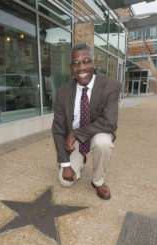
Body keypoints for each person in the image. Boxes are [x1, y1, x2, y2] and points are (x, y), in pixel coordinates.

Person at [52, 43, 121, 200]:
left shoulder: (111, 86)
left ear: (94, 63)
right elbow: (57, 129)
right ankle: (79, 158)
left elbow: (109, 122)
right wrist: (65, 164)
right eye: (76, 63)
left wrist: (75, 133)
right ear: (71, 67)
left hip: (98, 132)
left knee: (103, 143)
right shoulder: (63, 92)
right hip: (75, 140)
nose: (81, 67)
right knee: (65, 182)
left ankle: (98, 181)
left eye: (86, 61)